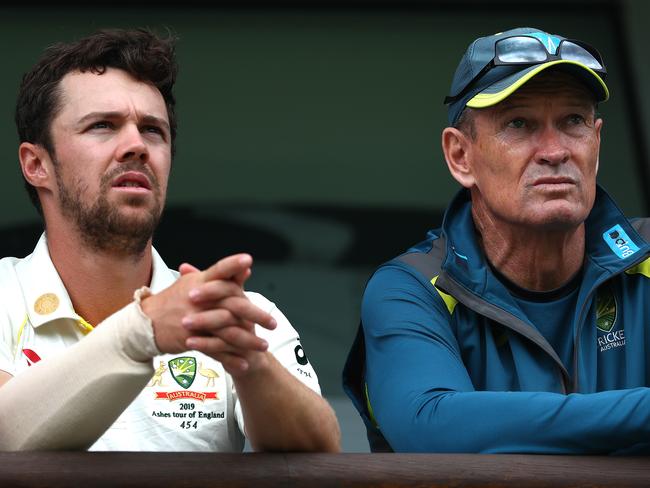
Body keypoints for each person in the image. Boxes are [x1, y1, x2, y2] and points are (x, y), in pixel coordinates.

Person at [0, 28, 340, 452]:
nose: (136, 145)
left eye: (153, 130)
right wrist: (144, 330)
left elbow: (321, 455)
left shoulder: (235, 315)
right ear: (37, 164)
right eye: (103, 126)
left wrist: (250, 361)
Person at [343, 26, 650, 454]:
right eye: (519, 124)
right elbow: (431, 425)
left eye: (573, 121)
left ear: (596, 141)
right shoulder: (411, 289)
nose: (554, 150)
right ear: (460, 156)